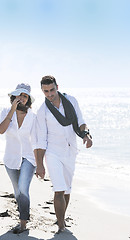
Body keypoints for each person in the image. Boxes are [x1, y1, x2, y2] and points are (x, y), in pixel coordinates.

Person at [35, 75, 93, 233]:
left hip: (70, 150)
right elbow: (40, 140)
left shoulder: (71, 101)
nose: (49, 94)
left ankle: (62, 219)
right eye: (45, 91)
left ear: (57, 87)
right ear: (42, 91)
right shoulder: (43, 111)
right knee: (59, 189)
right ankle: (61, 226)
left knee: (67, 189)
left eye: (51, 90)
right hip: (53, 153)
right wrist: (39, 165)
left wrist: (86, 135)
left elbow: (81, 121)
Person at [0, 83, 37, 234]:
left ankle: (23, 223)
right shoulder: (5, 112)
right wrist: (12, 110)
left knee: (23, 188)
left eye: (25, 96)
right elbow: (1, 130)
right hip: (11, 158)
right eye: (19, 95)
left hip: (28, 158)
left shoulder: (33, 117)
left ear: (28, 100)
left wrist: (40, 163)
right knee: (17, 191)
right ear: (14, 97)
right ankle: (24, 213)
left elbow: (37, 140)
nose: (22, 98)